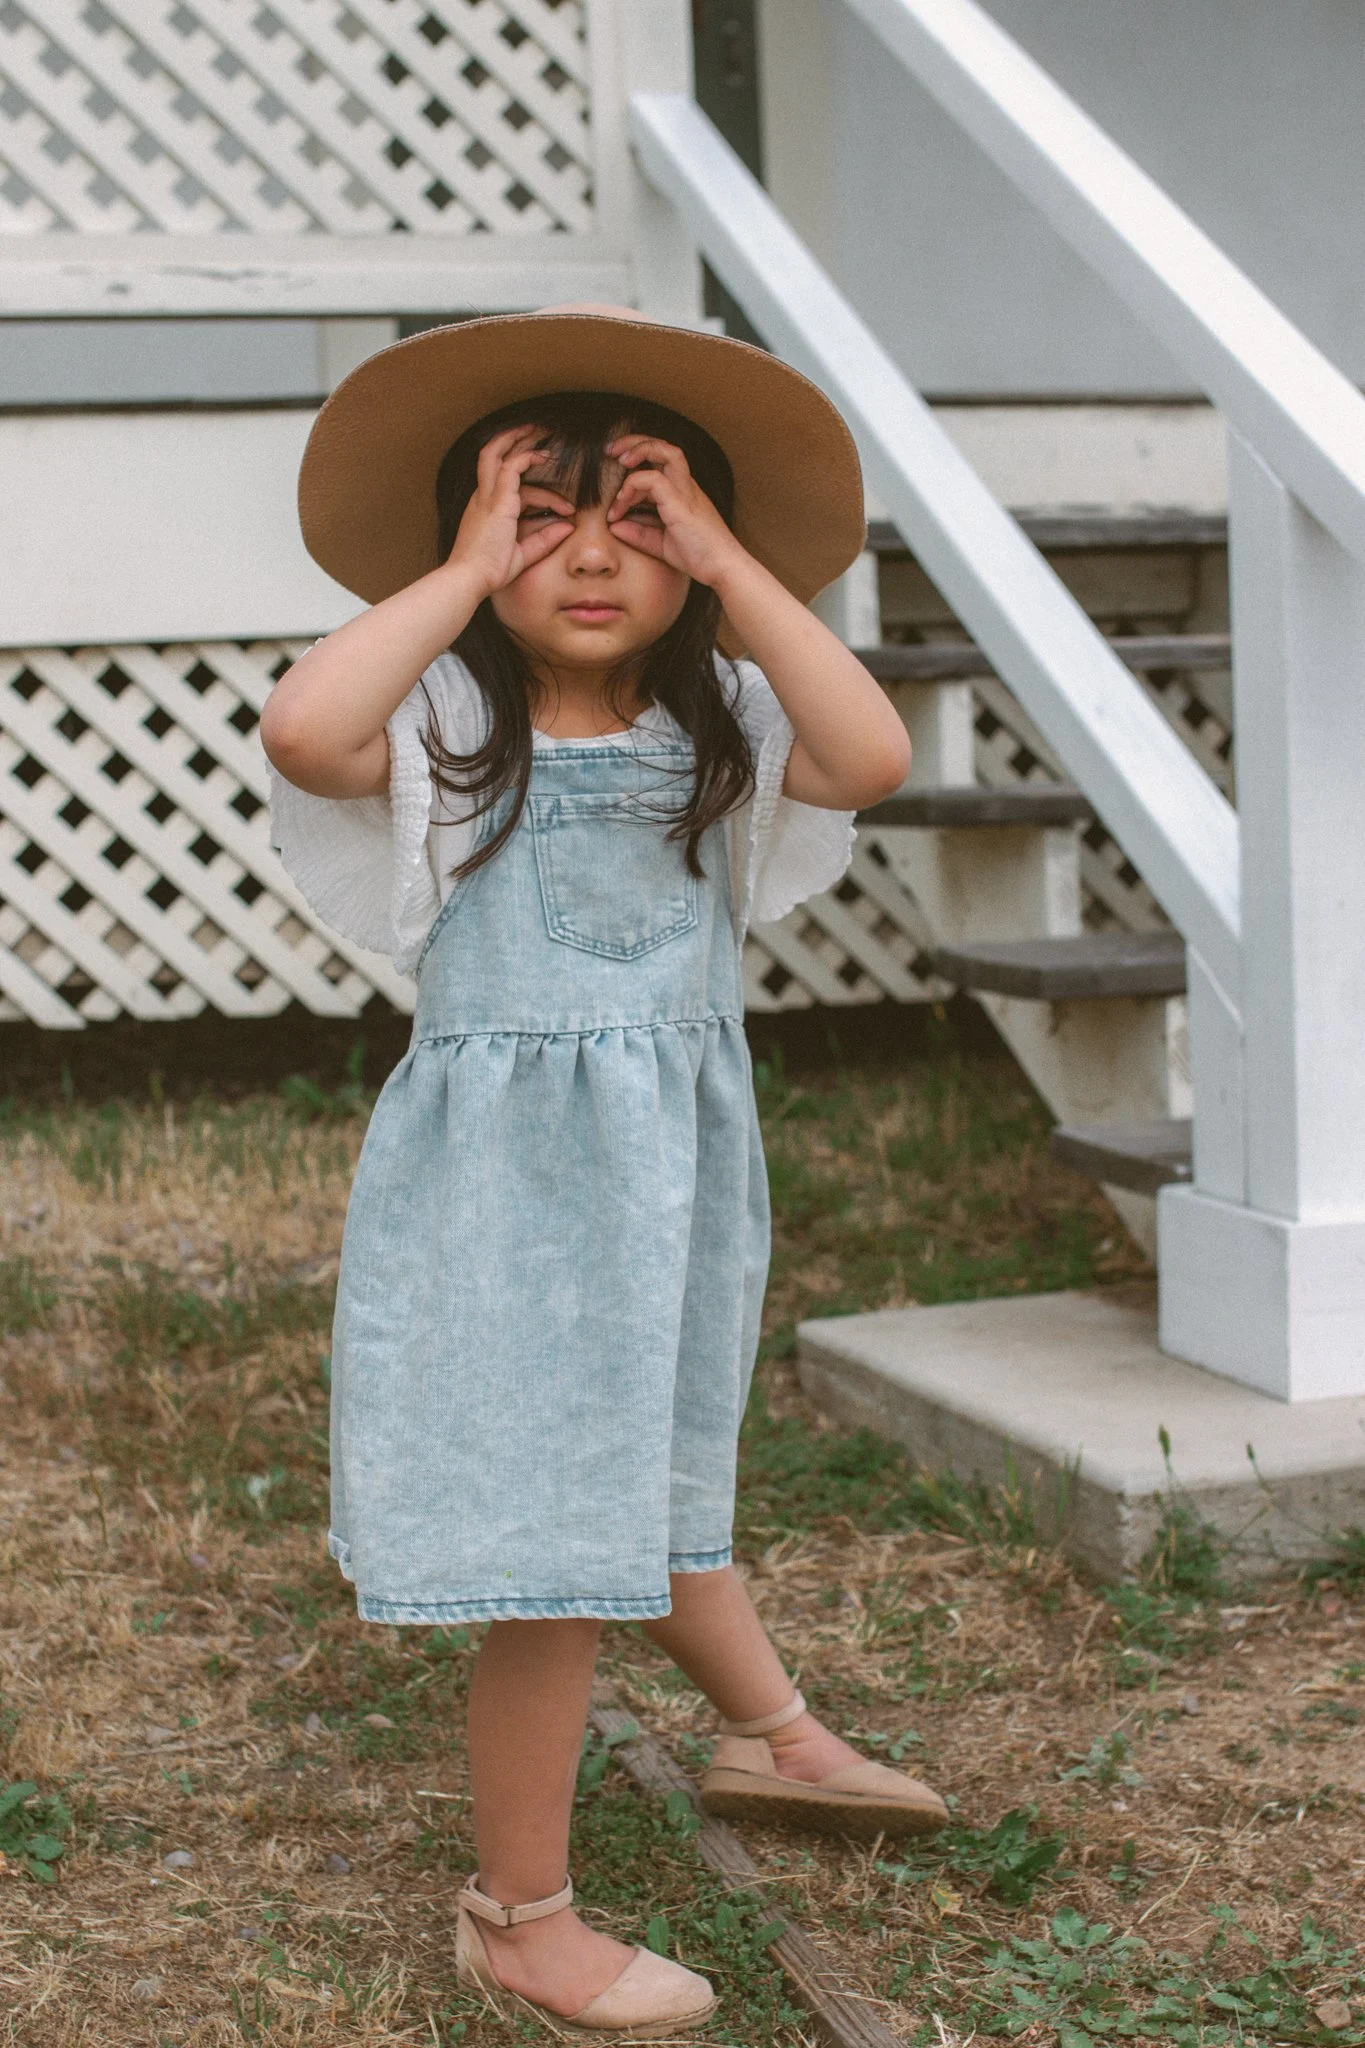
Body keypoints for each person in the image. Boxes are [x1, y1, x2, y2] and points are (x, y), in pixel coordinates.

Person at [263, 305, 949, 2040]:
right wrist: (458, 568)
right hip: (505, 1199)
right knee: (562, 1549)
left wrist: (729, 559)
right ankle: (521, 1915)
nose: (586, 556)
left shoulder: (718, 718)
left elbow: (870, 756)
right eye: (534, 516)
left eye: (633, 520)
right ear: (474, 548)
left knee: (651, 1462)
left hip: (666, 1181)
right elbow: (298, 728)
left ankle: (767, 1731)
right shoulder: (439, 723)